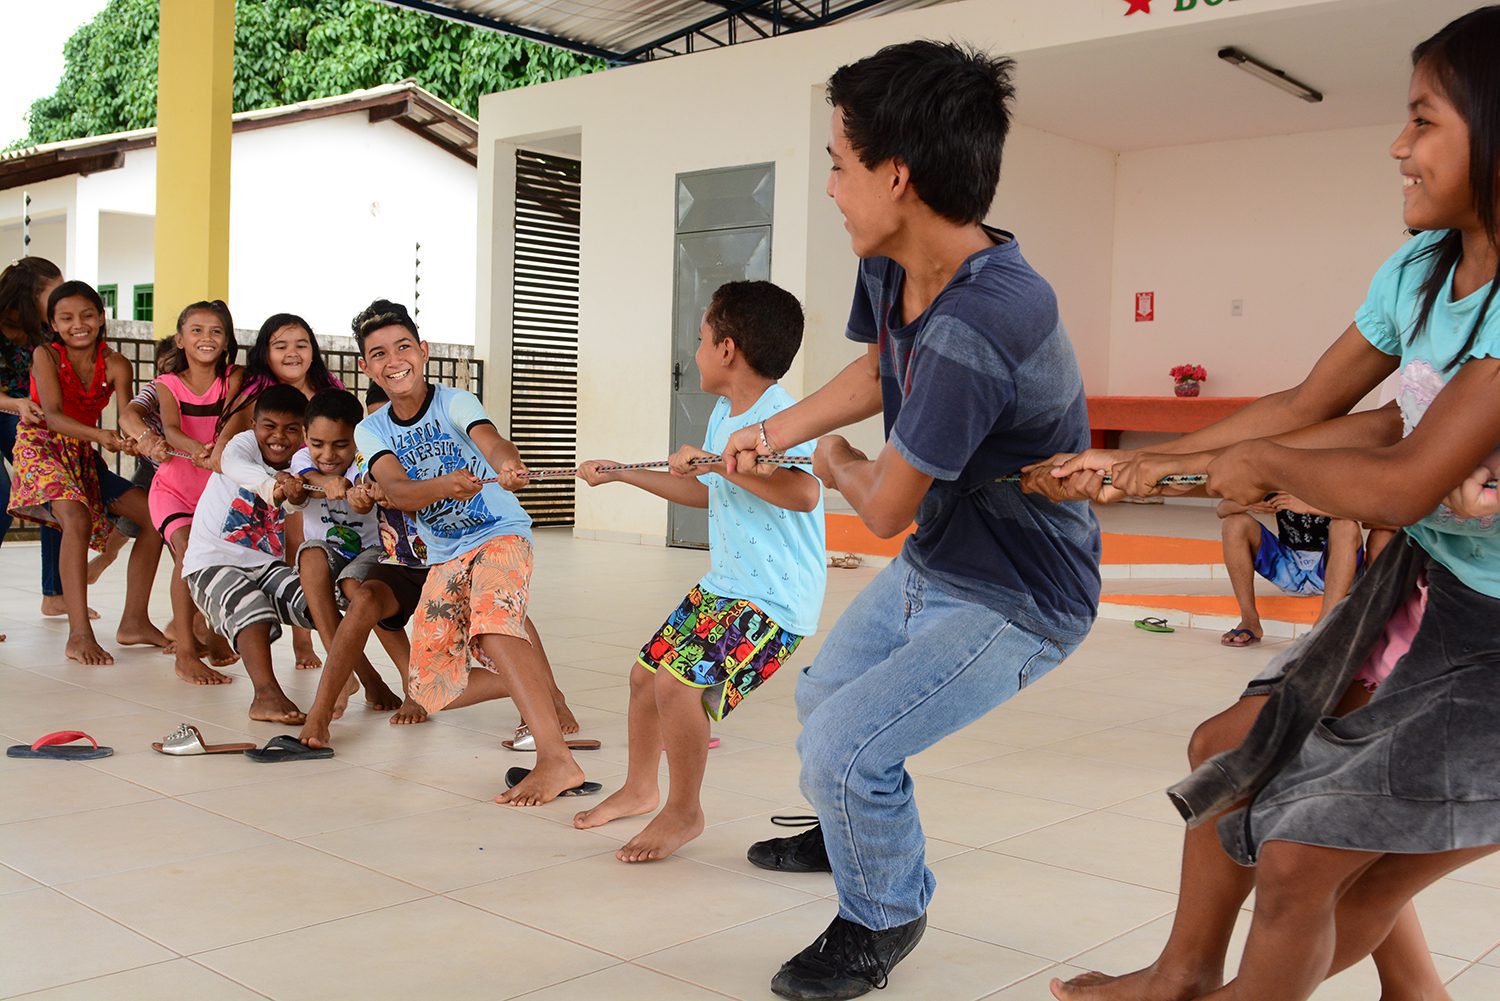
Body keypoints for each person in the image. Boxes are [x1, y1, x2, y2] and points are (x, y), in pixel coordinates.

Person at [1039, 9, 1500, 1000]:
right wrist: (1147, 467)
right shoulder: (1421, 272)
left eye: (1424, 120)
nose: (1399, 145)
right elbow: (1308, 404)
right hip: (1429, 590)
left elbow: (1404, 476)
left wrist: (1254, 466)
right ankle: (1184, 973)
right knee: (1230, 753)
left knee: (1305, 853)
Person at [719, 43, 1101, 1000]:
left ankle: (883, 912)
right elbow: (875, 370)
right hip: (944, 555)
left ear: (897, 175)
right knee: (824, 699)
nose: (832, 188)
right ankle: (852, 827)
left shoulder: (986, 316)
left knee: (845, 747)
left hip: (1019, 592)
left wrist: (831, 461)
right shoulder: (897, 264)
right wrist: (770, 431)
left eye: (839, 165)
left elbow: (886, 506)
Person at [571, 281, 825, 863]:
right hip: (727, 584)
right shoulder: (722, 414)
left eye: (702, 338)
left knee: (678, 684)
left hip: (775, 599)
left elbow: (805, 492)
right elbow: (707, 493)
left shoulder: (781, 418)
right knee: (645, 676)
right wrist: (621, 473)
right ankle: (640, 789)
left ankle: (685, 811)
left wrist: (717, 462)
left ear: (727, 349)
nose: (696, 350)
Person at [350, 299, 593, 805]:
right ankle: (534, 690)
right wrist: (442, 485)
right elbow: (395, 490)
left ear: (423, 351)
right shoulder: (371, 429)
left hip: (500, 532)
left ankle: (556, 759)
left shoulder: (455, 401)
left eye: (403, 347)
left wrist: (507, 463)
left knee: (493, 624)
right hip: (446, 553)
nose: (394, 361)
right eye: (379, 354)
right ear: (365, 367)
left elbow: (492, 441)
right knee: (429, 688)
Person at [8, 281, 166, 664]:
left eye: (87, 315)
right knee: (75, 518)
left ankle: (134, 621)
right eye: (66, 318)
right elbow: (53, 416)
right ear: (53, 324)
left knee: (154, 515)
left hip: (81, 453)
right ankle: (79, 635)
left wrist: (137, 439)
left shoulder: (117, 364)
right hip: (41, 447)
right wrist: (102, 436)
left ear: (101, 317)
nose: (78, 324)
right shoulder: (45, 355)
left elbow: (127, 416)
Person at [213, 313, 344, 671]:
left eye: (302, 344)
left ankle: (307, 641)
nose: (292, 353)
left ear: (313, 351)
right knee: (265, 555)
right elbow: (226, 442)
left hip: (311, 488)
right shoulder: (255, 392)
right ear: (265, 352)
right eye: (280, 345)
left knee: (305, 553)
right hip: (265, 490)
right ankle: (204, 626)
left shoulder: (328, 391)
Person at [125, 301, 245, 684]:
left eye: (216, 331)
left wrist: (217, 449)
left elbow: (235, 418)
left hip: (218, 490)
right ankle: (187, 654)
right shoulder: (167, 384)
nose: (206, 338)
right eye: (196, 330)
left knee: (218, 561)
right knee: (187, 552)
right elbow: (172, 427)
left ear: (226, 341)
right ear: (180, 339)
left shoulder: (235, 378)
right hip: (174, 488)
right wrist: (194, 449)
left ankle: (210, 629)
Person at [181, 384, 315, 724]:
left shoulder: (304, 462)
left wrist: (297, 492)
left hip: (265, 567)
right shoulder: (242, 445)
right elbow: (234, 464)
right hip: (212, 563)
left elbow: (301, 506)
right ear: (254, 425)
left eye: (291, 429)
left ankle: (359, 679)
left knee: (318, 601)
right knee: (251, 605)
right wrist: (276, 485)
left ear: (304, 432)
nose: (278, 437)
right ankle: (265, 695)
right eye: (269, 426)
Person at [289, 387, 402, 713]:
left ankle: (407, 682)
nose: (328, 454)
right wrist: (328, 484)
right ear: (306, 436)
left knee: (357, 587)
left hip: (370, 551)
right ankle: (344, 674)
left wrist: (361, 495)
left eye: (340, 445)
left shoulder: (366, 459)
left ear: (357, 437)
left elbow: (364, 489)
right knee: (310, 555)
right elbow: (306, 481)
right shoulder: (302, 459)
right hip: (327, 554)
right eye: (318, 444)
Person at [0, 257, 74, 618]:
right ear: (31, 295)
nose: (62, 298)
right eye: (55, 291)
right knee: (0, 494)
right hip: (11, 408)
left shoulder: (47, 332)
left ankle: (55, 594)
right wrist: (16, 403)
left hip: (22, 417)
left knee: (59, 486)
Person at [1215, 492, 1364, 646]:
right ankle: (1249, 620)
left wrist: (1307, 507)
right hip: (1288, 569)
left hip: (1334, 565)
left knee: (1346, 526)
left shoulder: (1336, 478)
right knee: (1234, 524)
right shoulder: (1278, 479)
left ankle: (1325, 623)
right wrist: (1249, 505)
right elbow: (1222, 509)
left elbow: (1367, 513)